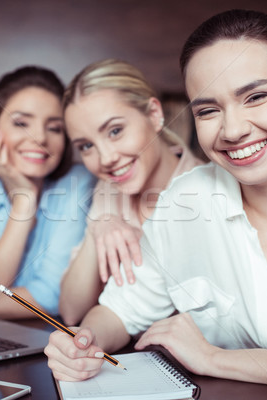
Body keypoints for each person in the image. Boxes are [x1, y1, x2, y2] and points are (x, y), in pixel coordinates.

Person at [44, 9, 267, 397]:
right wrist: (84, 341)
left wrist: (213, 359)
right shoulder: (182, 203)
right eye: (208, 110)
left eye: (256, 97)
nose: (232, 130)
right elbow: (119, 311)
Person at [0, 65, 95, 319]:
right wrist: (24, 204)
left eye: (54, 128)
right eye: (22, 123)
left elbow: (52, 297)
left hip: (52, 339)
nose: (39, 138)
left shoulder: (78, 182)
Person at [57, 59, 205, 325]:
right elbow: (71, 311)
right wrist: (98, 227)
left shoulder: (207, 192)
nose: (106, 158)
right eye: (86, 146)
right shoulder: (109, 188)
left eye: (115, 131)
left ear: (154, 114)